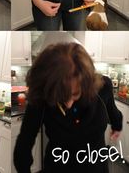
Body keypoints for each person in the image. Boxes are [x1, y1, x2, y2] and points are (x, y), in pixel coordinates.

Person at [13, 42, 123, 173]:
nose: (68, 104)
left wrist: (117, 125)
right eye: (59, 96)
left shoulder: (102, 86)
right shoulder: (41, 95)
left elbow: (111, 109)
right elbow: (24, 145)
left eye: (75, 94)